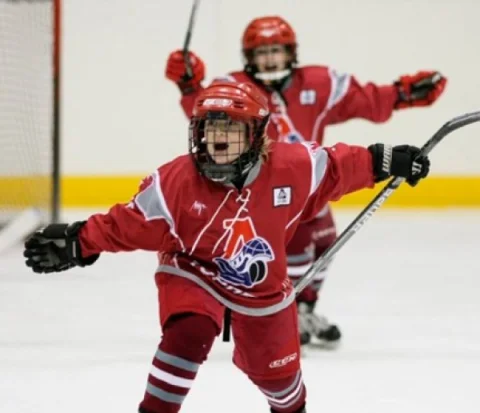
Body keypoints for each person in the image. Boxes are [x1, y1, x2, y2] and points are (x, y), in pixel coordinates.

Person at [24, 81, 430, 413]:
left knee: (283, 387)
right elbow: (128, 224)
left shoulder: (294, 167)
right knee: (190, 330)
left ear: (255, 135)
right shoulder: (174, 183)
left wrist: (386, 160)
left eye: (231, 129)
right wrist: (79, 242)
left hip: (262, 289)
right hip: (193, 270)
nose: (217, 138)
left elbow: (339, 166)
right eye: (210, 128)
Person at [164, 15, 447, 347]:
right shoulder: (235, 86)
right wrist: (189, 87)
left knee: (325, 241)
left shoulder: (318, 83)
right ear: (248, 57)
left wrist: (401, 94)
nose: (270, 59)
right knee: (294, 248)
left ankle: (304, 309)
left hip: (310, 180)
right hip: (263, 188)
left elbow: (363, 99)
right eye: (262, 52)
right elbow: (206, 116)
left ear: (291, 52)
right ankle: (286, 311)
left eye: (276, 50)